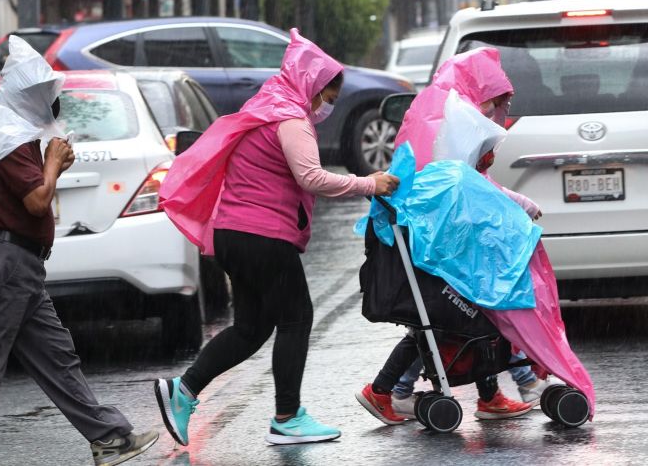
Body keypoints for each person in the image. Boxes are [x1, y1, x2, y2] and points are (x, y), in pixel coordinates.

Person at [155, 29, 400, 446]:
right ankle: (287, 417)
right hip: (262, 235)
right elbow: (312, 177)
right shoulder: (290, 118)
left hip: (234, 234)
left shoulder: (265, 106)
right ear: (312, 87)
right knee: (296, 317)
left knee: (250, 328)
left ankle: (184, 390)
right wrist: (369, 183)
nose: (330, 105)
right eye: (329, 95)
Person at [0, 37, 157, 466]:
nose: (48, 103)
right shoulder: (8, 135)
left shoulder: (15, 131)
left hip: (21, 264)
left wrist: (51, 160)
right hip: (9, 262)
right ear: (21, 96)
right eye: (40, 95)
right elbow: (35, 201)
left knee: (56, 357)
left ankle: (109, 437)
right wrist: (53, 163)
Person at [356, 48, 543, 425]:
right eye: (497, 100)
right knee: (453, 318)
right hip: (433, 241)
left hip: (437, 238)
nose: (500, 110)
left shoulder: (446, 114)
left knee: (459, 318)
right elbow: (461, 181)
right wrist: (519, 204)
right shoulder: (449, 120)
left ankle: (486, 393)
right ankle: (384, 388)